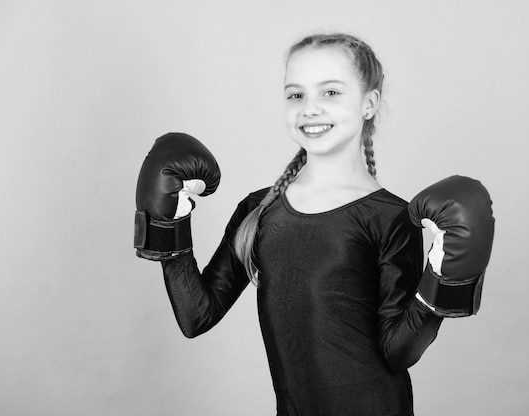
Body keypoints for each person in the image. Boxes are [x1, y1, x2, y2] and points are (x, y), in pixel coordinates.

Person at [134, 33, 494, 416]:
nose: (310, 109)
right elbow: (196, 316)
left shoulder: (391, 218)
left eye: (330, 93)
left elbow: (398, 351)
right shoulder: (260, 209)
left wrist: (442, 281)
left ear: (369, 104)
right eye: (296, 95)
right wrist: (169, 225)